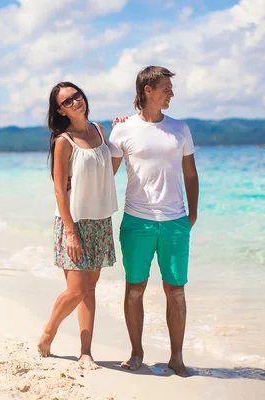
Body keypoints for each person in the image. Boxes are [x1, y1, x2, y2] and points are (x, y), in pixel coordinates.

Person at [109, 66, 199, 377]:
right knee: (135, 288)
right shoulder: (123, 129)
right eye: (166, 88)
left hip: (175, 223)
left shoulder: (180, 128)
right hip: (137, 221)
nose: (171, 93)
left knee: (176, 290)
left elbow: (190, 173)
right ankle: (136, 353)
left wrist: (193, 214)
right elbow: (107, 174)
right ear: (148, 90)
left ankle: (176, 357)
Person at [37, 82, 118, 370]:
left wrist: (119, 131)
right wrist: (70, 232)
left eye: (77, 95)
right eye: (67, 101)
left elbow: (106, 170)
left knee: (90, 290)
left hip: (99, 220)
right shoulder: (63, 141)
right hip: (73, 222)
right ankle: (49, 330)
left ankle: (86, 353)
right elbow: (59, 189)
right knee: (76, 290)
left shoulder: (99, 129)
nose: (75, 102)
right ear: (60, 110)